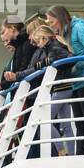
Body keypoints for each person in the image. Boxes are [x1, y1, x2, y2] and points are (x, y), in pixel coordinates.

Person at [48, 5, 84, 156]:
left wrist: (76, 66)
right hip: (76, 81)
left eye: (52, 22)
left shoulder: (78, 28)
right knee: (79, 123)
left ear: (60, 19)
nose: (51, 25)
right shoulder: (65, 34)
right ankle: (79, 155)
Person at [22, 24, 71, 158]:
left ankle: (61, 150)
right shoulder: (54, 47)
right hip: (62, 86)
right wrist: (45, 62)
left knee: (44, 120)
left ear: (44, 38)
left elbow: (64, 58)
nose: (37, 45)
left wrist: (45, 62)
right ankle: (71, 153)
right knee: (66, 124)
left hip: (61, 86)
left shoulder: (54, 47)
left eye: (38, 41)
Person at [0, 17, 36, 92]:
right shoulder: (20, 44)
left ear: (12, 28)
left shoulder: (26, 43)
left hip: (27, 90)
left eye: (3, 31)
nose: (5, 44)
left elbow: (22, 70)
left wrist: (2, 85)